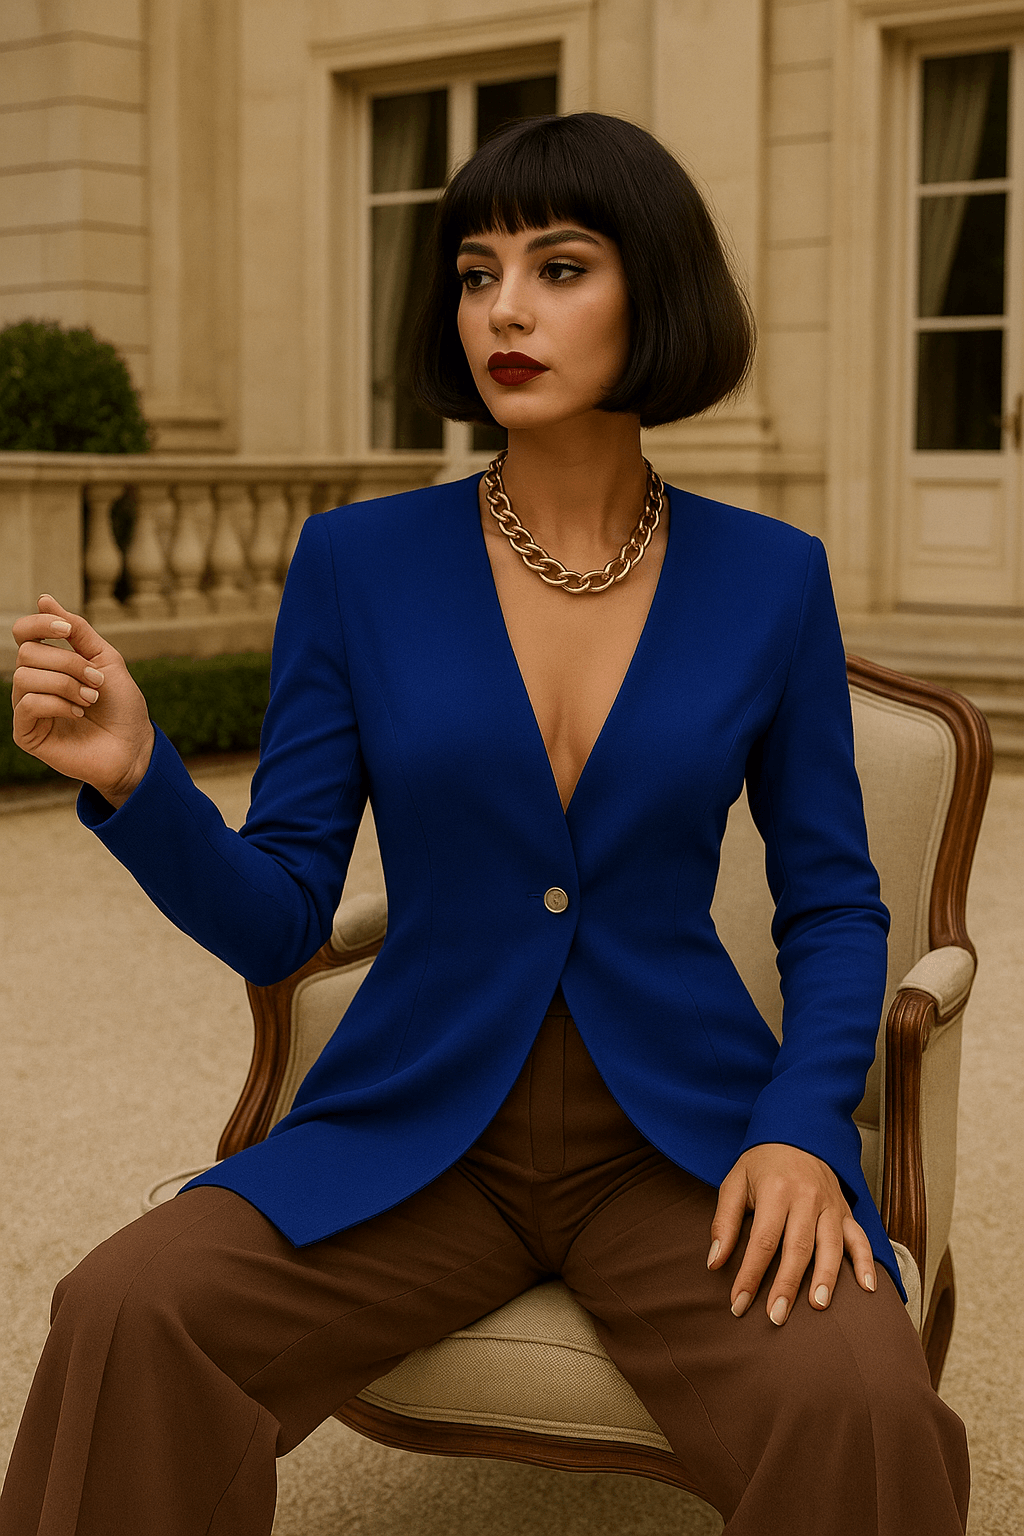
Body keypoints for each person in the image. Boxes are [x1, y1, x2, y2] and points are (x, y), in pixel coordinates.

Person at [2, 113, 969, 1535]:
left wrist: (801, 1123)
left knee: (861, 1400)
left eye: (559, 267)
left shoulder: (771, 579)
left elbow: (831, 902)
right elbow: (281, 913)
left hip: (680, 1141)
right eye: (474, 272)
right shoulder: (358, 564)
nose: (502, 309)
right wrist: (137, 780)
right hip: (415, 1127)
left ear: (657, 295)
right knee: (126, 1311)